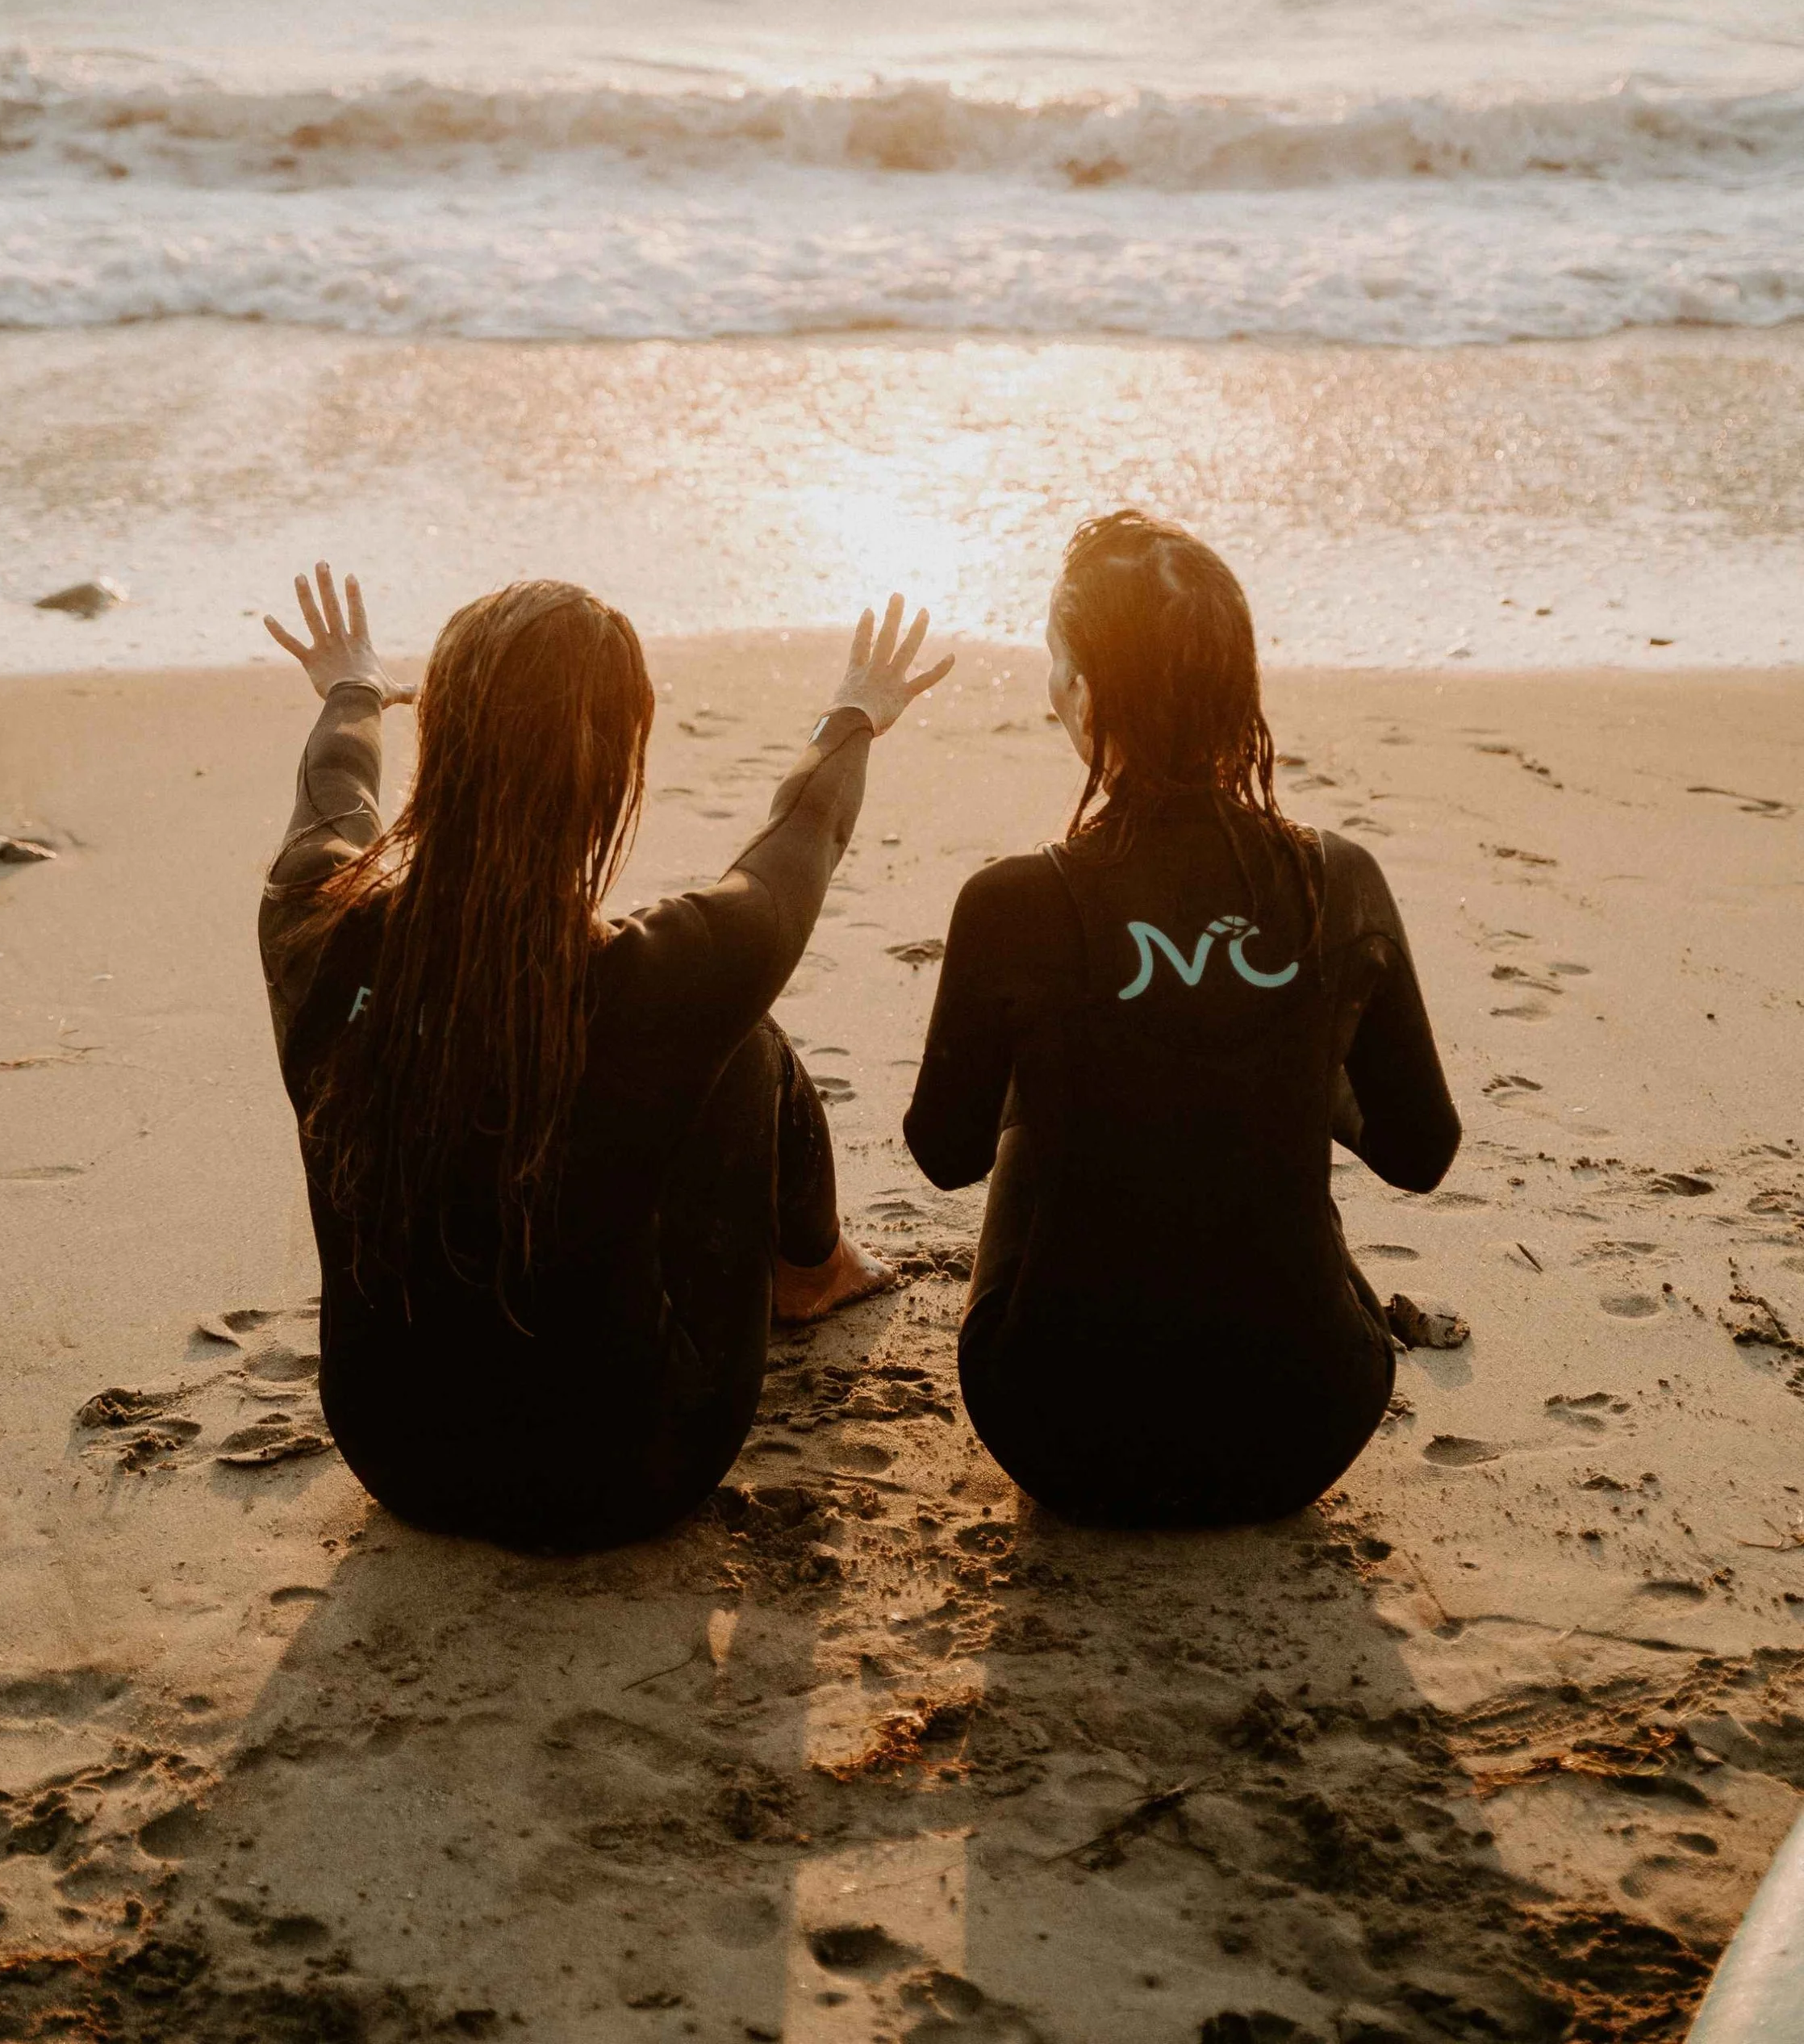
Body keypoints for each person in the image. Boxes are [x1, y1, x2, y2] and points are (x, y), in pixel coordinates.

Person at [258, 562, 950, 1549]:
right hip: (629, 1470)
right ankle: (815, 1270)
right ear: (615, 769)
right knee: (744, 1042)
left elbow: (335, 788)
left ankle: (809, 1266)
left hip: (394, 1450)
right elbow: (803, 833)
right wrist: (852, 712)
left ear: (442, 746)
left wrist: (353, 687)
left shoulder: (311, 917)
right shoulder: (665, 972)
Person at [904, 509, 1459, 1527]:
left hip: (1054, 1427)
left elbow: (944, 1153)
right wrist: (1283, 1048)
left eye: (1057, 666)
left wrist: (1092, 1040)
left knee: (1054, 1067)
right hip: (1307, 1422)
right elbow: (1421, 1151)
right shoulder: (1339, 880)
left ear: (1085, 695)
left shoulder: (1013, 901)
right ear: (1233, 688)